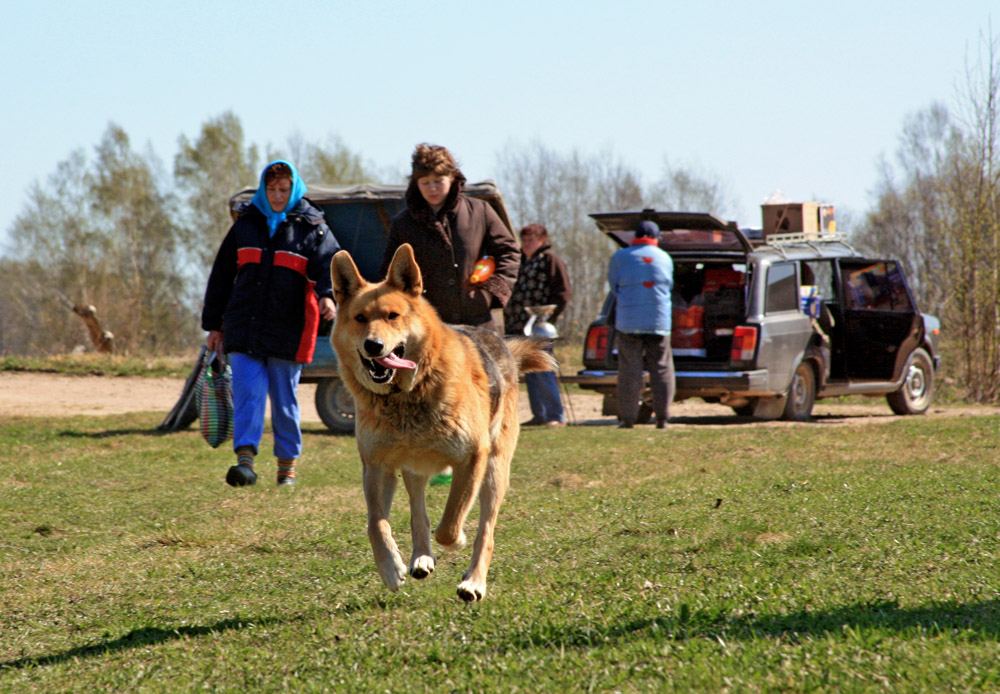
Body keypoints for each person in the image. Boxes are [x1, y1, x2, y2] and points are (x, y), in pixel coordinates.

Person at [202, 160, 340, 487]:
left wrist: (327, 296)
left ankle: (286, 469)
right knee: (248, 391)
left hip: (290, 330)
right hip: (243, 326)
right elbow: (220, 278)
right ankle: (245, 462)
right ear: (263, 188)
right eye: (272, 188)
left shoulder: (314, 227)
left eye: (284, 189)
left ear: (295, 189)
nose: (277, 195)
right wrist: (214, 325)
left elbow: (330, 267)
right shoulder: (244, 226)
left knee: (284, 399)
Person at [380, 143, 520, 332]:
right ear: (416, 183)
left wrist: (489, 293)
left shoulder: (480, 211)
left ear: (453, 177)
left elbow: (509, 252)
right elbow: (390, 273)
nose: (432, 188)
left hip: (477, 325)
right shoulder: (402, 223)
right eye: (425, 182)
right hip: (426, 328)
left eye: (438, 180)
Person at [607, 220, 675, 429]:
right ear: (655, 238)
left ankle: (628, 419)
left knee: (629, 370)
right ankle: (662, 419)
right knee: (662, 368)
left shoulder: (620, 257)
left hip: (629, 321)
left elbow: (614, 286)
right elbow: (670, 286)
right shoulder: (665, 257)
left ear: (635, 236)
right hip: (659, 320)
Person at [503, 223, 572, 427]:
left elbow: (564, 293)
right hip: (518, 324)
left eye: (531, 240)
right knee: (529, 370)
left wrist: (548, 319)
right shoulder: (521, 261)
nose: (526, 244)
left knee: (544, 369)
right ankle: (539, 414)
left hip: (540, 325)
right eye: (524, 240)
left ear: (542, 240)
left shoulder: (550, 260)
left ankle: (555, 415)